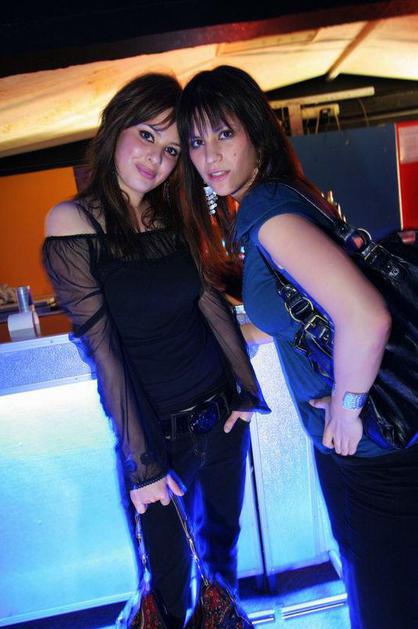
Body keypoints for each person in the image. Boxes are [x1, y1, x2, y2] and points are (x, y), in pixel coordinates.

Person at [177, 65, 418, 629]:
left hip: (370, 447)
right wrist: (228, 339)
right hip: (372, 442)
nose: (210, 155)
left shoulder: (266, 212)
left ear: (256, 132)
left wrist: (348, 407)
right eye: (196, 141)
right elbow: (302, 313)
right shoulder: (281, 196)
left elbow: (366, 315)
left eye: (224, 133)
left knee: (387, 608)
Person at [42, 72, 269, 628]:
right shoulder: (72, 221)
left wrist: (245, 389)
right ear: (116, 126)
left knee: (221, 565)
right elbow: (103, 351)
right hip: (156, 439)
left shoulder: (172, 216)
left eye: (171, 149)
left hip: (220, 420)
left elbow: (208, 303)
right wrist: (143, 464)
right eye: (147, 135)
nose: (157, 158)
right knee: (165, 585)